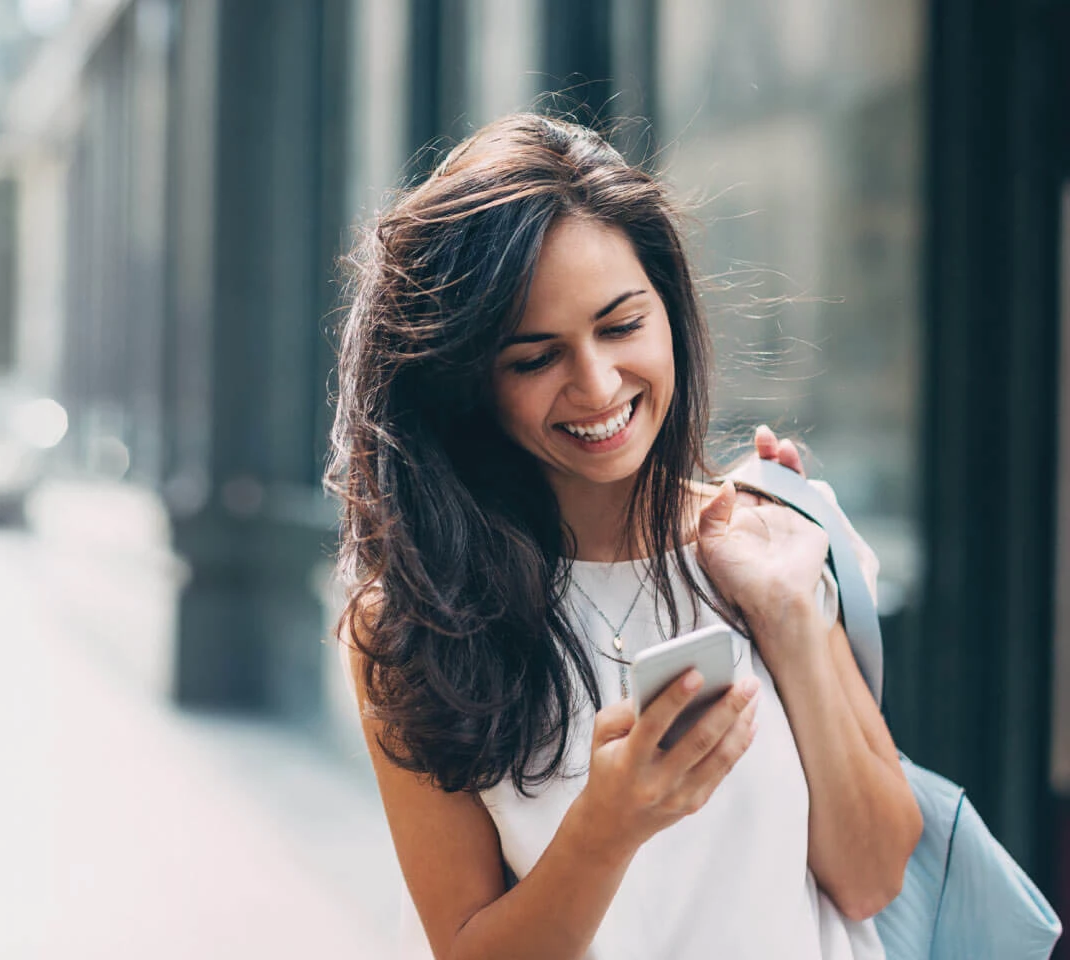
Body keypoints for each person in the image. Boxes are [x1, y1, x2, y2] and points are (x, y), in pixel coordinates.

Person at [325, 113, 922, 960]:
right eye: (535, 358)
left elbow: (871, 878)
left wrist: (789, 617)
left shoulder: (766, 540)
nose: (598, 385)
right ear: (468, 384)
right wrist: (608, 827)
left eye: (620, 325)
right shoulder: (412, 622)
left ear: (668, 308)